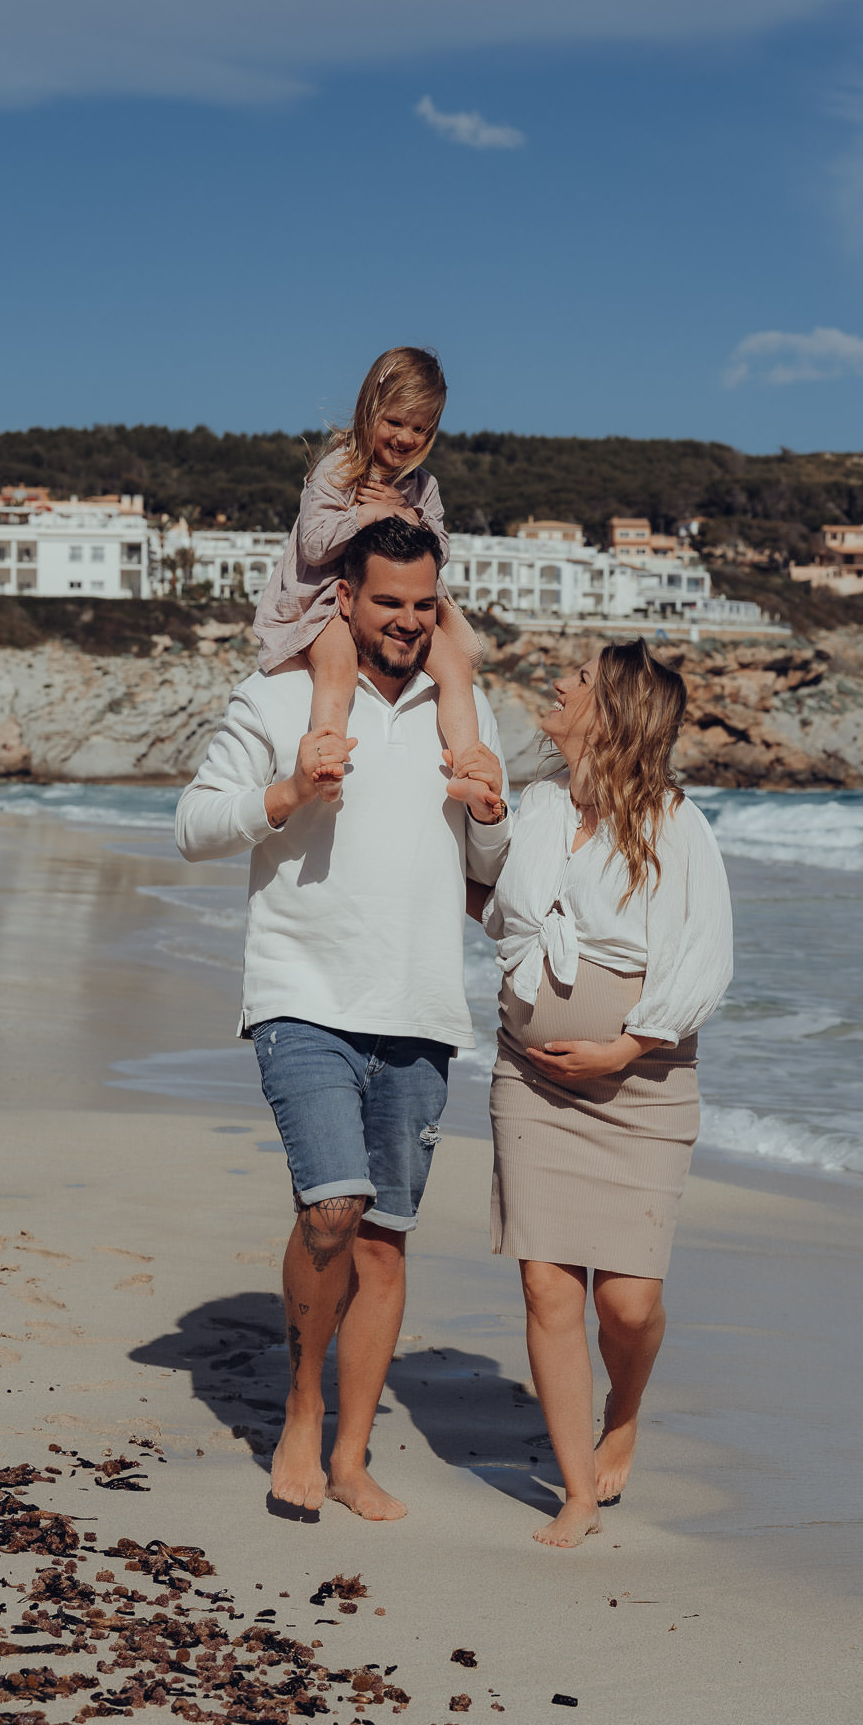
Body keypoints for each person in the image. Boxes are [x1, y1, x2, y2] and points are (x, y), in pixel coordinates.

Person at [175, 517, 511, 1519]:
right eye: (385, 602)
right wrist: (287, 791)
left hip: (419, 1007)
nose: (405, 622)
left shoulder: (465, 710)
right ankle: (298, 1414)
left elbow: (488, 873)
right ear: (347, 600)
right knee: (329, 1209)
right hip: (302, 996)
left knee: (382, 1240)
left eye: (421, 605)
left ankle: (352, 1456)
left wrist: (490, 819)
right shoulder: (281, 696)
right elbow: (193, 824)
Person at [482, 640, 732, 1548]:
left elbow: (706, 957)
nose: (558, 681)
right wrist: (477, 812)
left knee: (624, 1303)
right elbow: (492, 898)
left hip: (645, 1086)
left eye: (579, 677)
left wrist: (625, 1048)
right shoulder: (540, 805)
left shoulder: (674, 822)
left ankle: (623, 1409)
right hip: (532, 1080)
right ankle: (577, 1492)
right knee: (550, 1290)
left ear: (615, 707)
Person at [253, 345, 499, 819]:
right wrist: (369, 513)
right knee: (339, 665)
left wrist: (406, 515)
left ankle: (470, 766)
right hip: (324, 601)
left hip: (392, 603)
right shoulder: (337, 470)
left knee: (456, 668)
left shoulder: (424, 487)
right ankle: (325, 757)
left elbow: (440, 551)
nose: (405, 437)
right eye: (395, 422)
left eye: (420, 428)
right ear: (370, 409)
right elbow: (314, 546)